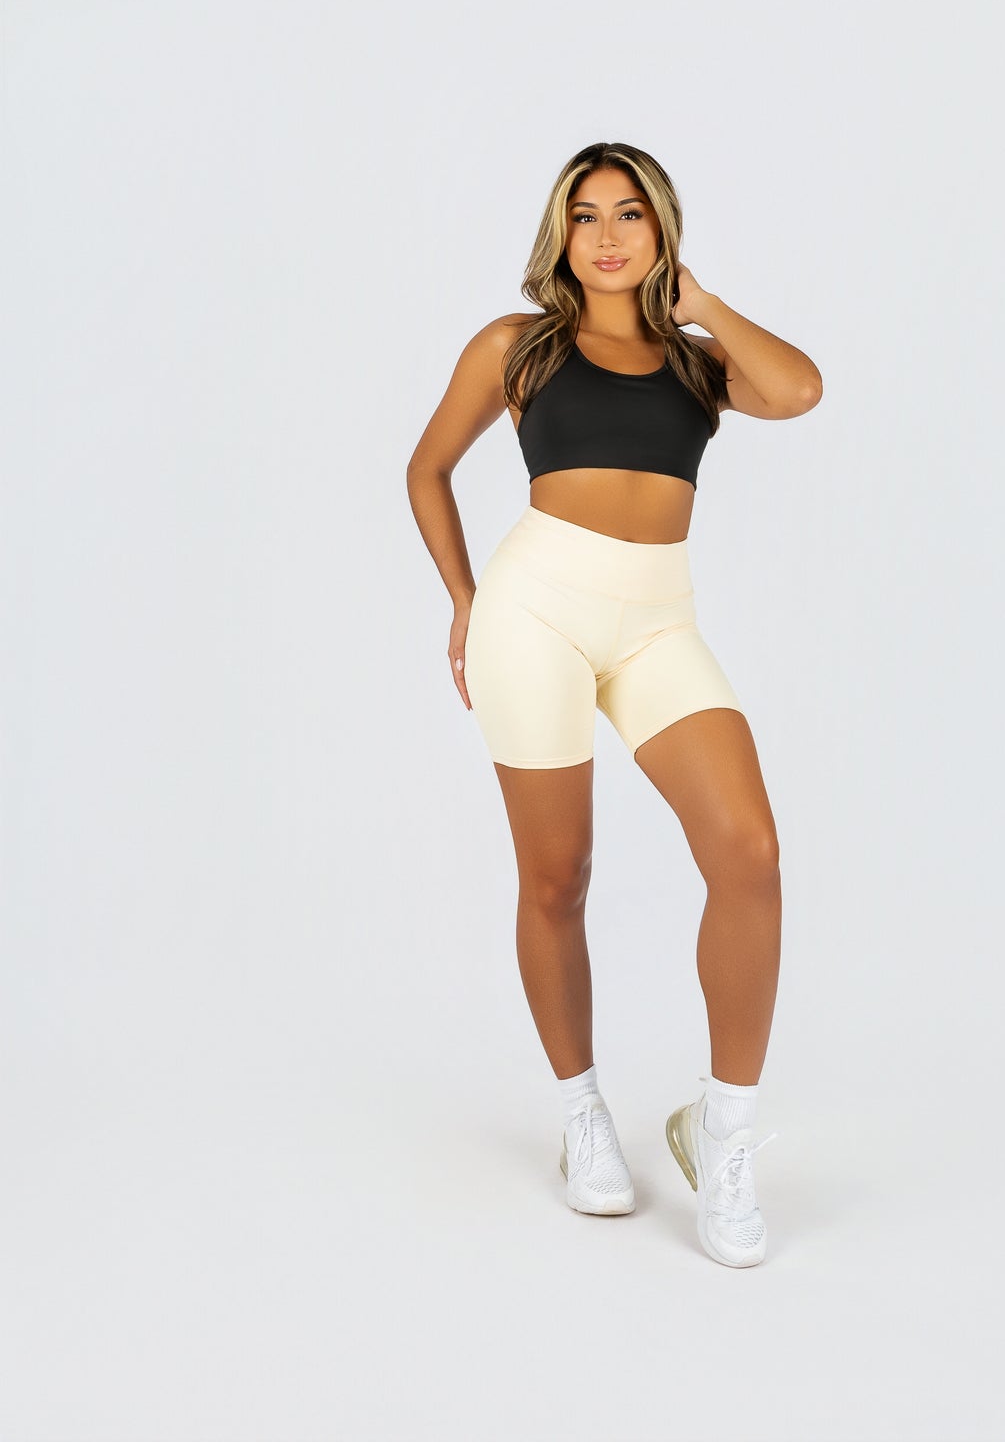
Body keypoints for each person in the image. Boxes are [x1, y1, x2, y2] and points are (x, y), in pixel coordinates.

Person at [406, 140, 822, 1268]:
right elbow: (427, 468)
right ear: (562, 232)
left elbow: (799, 390)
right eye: (584, 214)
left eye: (629, 213)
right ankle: (582, 1112)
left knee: (749, 853)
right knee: (558, 876)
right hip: (533, 613)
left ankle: (721, 1134)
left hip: (657, 625)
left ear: (661, 230)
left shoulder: (700, 363)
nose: (605, 235)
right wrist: (465, 602)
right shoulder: (517, 347)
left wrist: (707, 305)